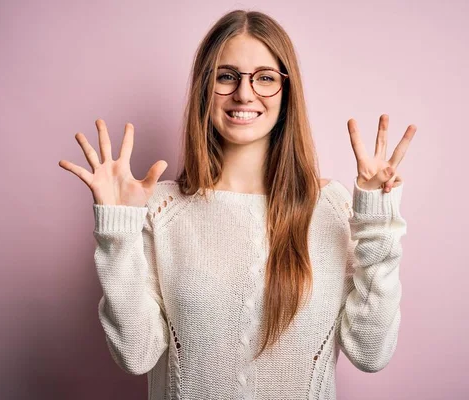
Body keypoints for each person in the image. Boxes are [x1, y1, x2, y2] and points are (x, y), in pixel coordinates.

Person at [58, 9, 416, 400]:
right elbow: (135, 354)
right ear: (203, 90)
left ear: (287, 91)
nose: (245, 94)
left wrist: (377, 221)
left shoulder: (330, 207)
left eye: (264, 78)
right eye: (226, 77)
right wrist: (118, 228)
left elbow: (370, 352)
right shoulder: (161, 207)